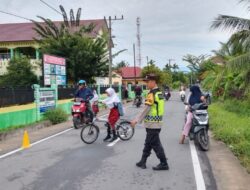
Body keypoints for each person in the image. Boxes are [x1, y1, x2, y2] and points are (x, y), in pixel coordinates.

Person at [131, 74, 169, 171]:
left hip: (153, 124)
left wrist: (136, 120)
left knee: (155, 144)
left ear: (153, 82)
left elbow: (146, 109)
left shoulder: (152, 94)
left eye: (147, 82)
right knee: (148, 143)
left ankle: (164, 163)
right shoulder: (159, 93)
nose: (146, 84)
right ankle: (143, 161)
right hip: (156, 123)